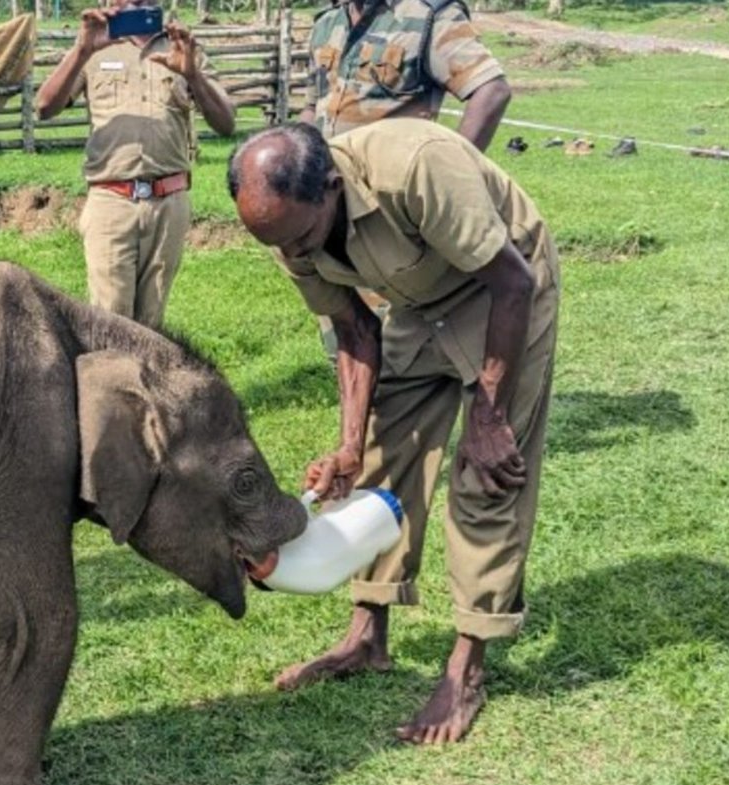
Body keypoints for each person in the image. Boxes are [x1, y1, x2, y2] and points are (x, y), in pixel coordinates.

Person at [228, 120, 559, 744]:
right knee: (380, 463)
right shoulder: (288, 228)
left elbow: (511, 280)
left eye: (300, 238)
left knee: (488, 473)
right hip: (418, 305)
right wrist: (350, 444)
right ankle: (366, 637)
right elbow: (355, 330)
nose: (294, 256)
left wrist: (486, 417)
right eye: (278, 245)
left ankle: (467, 666)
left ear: (329, 187)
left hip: (505, 290)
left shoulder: (417, 166)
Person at [299, 0, 511, 360]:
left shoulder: (427, 15)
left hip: (391, 215)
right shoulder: (327, 24)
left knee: (400, 349)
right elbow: (312, 107)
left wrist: (448, 179)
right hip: (333, 216)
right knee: (349, 341)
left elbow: (490, 91)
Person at [35, 1, 236, 331]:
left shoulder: (181, 45)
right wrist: (82, 51)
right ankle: (108, 382)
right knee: (111, 322)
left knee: (151, 324)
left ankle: (144, 382)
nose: (137, 3)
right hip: (111, 202)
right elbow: (44, 107)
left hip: (170, 204)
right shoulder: (94, 47)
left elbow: (226, 123)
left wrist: (193, 75)